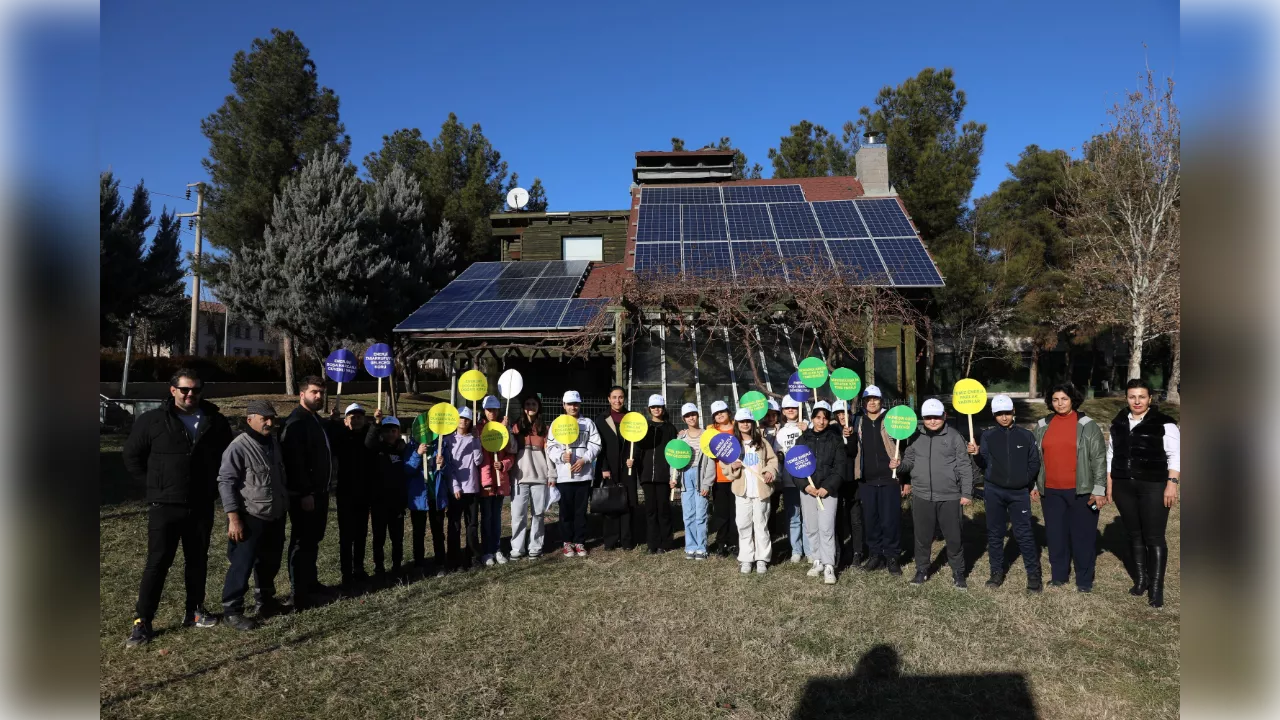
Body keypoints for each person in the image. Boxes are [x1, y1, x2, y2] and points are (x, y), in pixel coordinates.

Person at [123, 369, 233, 647]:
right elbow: (132, 456)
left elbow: (226, 458)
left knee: (197, 560)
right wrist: (154, 487)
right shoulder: (152, 420)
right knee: (158, 563)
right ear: (172, 390)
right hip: (165, 505)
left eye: (195, 389)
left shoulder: (214, 421)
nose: (190, 394)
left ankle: (194, 611)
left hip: (200, 504)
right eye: (184, 389)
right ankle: (143, 621)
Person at [1107, 378, 1180, 608]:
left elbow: (1175, 456)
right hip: (1123, 486)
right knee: (1134, 535)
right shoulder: (1118, 422)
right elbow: (1112, 455)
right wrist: (1110, 483)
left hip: (1153, 485)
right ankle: (1141, 580)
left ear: (1150, 398)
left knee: (1154, 537)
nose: (1136, 401)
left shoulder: (1165, 423)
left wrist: (1172, 484)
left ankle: (1156, 588)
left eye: (1141, 396)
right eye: (1132, 397)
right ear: (1126, 398)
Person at [216, 400, 288, 631]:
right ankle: (232, 610)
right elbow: (226, 482)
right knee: (242, 564)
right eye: (263, 418)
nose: (269, 422)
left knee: (270, 561)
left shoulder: (273, 444)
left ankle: (265, 601)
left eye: (272, 418)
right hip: (250, 516)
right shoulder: (238, 447)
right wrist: (233, 518)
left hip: (274, 514)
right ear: (250, 420)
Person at [1032, 383, 1107, 593]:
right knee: (1056, 536)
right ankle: (1059, 576)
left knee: (1083, 537)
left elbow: (1099, 459)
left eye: (1064, 399)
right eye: (1055, 399)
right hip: (1051, 492)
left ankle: (1084, 580)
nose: (1060, 403)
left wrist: (1099, 489)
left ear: (1073, 399)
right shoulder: (1042, 425)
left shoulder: (1087, 425)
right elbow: (1035, 458)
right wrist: (1034, 484)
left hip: (1081, 492)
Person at [892, 398, 974, 589]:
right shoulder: (914, 437)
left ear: (944, 416)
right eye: (928, 417)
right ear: (922, 418)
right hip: (921, 495)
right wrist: (899, 465)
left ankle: (958, 572)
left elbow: (964, 466)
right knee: (922, 537)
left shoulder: (954, 436)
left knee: (954, 537)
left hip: (949, 496)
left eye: (936, 417)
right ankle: (922, 570)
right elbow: (909, 462)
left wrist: (967, 492)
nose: (933, 421)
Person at [967, 394, 1043, 592]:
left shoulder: (1026, 435)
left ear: (1013, 412)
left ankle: (1034, 575)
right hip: (994, 492)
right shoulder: (988, 436)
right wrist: (976, 455)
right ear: (994, 415)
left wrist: (1025, 481)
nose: (1004, 417)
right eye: (999, 413)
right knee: (995, 533)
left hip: (1019, 493)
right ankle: (996, 573)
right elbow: (983, 463)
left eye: (1007, 413)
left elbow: (1034, 462)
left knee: (1024, 534)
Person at [281, 375, 339, 609]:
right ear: (301, 394)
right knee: (301, 541)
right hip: (305, 495)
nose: (319, 396)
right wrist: (304, 493)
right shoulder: (296, 422)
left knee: (313, 540)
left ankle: (311, 582)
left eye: (321, 393)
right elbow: (294, 462)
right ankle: (298, 592)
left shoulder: (315, 420)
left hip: (321, 492)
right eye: (314, 392)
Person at [853, 386, 903, 576]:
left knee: (890, 520)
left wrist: (901, 469)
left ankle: (892, 556)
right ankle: (875, 554)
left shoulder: (892, 419)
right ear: (864, 402)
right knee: (871, 520)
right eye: (868, 399)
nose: (871, 402)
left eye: (875, 399)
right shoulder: (858, 420)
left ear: (881, 400)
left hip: (889, 478)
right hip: (867, 479)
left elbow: (904, 444)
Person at [725, 409, 780, 574]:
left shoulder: (762, 442)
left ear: (752, 423)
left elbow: (773, 459)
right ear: (737, 424)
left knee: (761, 525)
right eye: (741, 421)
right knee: (743, 525)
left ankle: (762, 558)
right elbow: (724, 466)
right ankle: (746, 558)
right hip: (742, 492)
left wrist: (770, 471)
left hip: (761, 491)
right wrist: (731, 467)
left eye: (748, 421)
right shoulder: (733, 444)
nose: (745, 424)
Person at [547, 390, 601, 557]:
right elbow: (550, 447)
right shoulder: (557, 424)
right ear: (564, 405)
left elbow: (595, 444)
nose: (573, 407)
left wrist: (584, 459)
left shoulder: (588, 423)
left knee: (580, 511)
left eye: (576, 403)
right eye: (569, 404)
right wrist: (562, 456)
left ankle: (580, 541)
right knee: (565, 512)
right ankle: (567, 542)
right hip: (564, 476)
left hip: (583, 476)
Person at [797, 403, 846, 584]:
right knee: (811, 527)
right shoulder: (803, 439)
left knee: (826, 528)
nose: (821, 421)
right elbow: (795, 466)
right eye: (818, 417)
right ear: (812, 419)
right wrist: (805, 486)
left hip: (827, 492)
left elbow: (840, 467)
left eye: (825, 417)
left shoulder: (835, 439)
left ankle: (828, 565)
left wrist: (828, 487)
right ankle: (816, 560)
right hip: (808, 491)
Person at [331, 403, 374, 591]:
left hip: (364, 493)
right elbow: (332, 443)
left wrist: (376, 423)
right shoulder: (341, 436)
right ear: (346, 420)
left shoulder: (368, 436)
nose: (356, 420)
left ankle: (359, 568)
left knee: (361, 533)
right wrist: (333, 423)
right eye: (352, 417)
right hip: (345, 493)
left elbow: (373, 443)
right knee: (346, 536)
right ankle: (346, 573)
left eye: (359, 417)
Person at [366, 411, 410, 585]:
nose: (390, 434)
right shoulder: (376, 449)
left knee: (397, 538)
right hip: (378, 503)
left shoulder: (402, 450)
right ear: (382, 433)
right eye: (387, 430)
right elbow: (369, 442)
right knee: (379, 538)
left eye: (394, 431)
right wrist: (376, 423)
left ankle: (397, 567)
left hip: (397, 503)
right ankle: (379, 569)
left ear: (398, 433)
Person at [630, 395, 677, 553]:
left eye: (660, 406)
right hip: (646, 475)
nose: (657, 409)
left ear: (663, 408)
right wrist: (633, 461)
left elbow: (675, 452)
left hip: (664, 476)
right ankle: (652, 544)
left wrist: (673, 476)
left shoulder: (670, 428)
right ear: (649, 409)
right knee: (650, 510)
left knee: (663, 509)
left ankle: (666, 543)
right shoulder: (643, 428)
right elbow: (636, 448)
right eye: (654, 407)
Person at [437, 407, 482, 570]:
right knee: (454, 525)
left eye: (467, 419)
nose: (463, 421)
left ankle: (473, 558)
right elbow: (448, 466)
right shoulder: (448, 440)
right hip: (455, 489)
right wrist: (455, 485)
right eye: (461, 418)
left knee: (472, 525)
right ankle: (453, 559)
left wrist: (477, 440)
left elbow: (478, 460)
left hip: (472, 488)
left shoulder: (473, 438)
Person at [596, 386, 639, 551]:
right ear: (609, 399)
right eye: (614, 397)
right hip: (609, 469)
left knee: (628, 503)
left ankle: (627, 540)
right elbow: (600, 447)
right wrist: (604, 467)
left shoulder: (632, 418)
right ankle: (611, 540)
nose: (617, 401)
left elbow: (638, 442)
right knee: (611, 503)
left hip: (628, 467)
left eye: (620, 397)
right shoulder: (601, 419)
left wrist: (634, 458)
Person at [510, 395, 552, 560]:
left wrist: (551, 475)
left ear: (538, 407)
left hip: (540, 478)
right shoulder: (515, 427)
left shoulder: (545, 429)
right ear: (523, 407)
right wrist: (507, 430)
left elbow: (549, 455)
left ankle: (535, 547)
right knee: (518, 515)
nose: (530, 406)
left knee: (538, 514)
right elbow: (512, 449)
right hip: (520, 478)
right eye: (527, 403)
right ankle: (517, 549)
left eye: (534, 403)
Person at [476, 395, 516, 566]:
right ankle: (486, 552)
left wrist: (504, 464)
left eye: (494, 409)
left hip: (500, 480)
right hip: (486, 482)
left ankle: (496, 548)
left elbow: (511, 453)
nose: (492, 412)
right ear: (484, 411)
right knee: (486, 518)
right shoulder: (478, 429)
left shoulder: (504, 427)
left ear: (499, 410)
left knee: (497, 518)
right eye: (488, 409)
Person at [673, 403, 715, 560]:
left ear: (698, 415)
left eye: (693, 414)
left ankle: (702, 548)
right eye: (687, 415)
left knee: (701, 514)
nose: (691, 417)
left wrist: (707, 483)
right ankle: (690, 547)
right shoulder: (681, 437)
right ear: (684, 419)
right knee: (688, 514)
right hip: (685, 477)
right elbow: (675, 459)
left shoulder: (707, 435)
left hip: (701, 475)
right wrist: (674, 478)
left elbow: (711, 461)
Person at [774, 395, 811, 564]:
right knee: (794, 516)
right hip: (789, 481)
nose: (791, 410)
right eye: (787, 408)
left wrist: (807, 431)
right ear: (783, 411)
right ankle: (796, 549)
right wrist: (779, 476)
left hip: (807, 480)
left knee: (809, 517)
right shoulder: (781, 432)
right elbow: (778, 456)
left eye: (794, 407)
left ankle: (810, 549)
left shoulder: (806, 426)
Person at [408, 424, 448, 577]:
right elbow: (408, 469)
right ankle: (419, 564)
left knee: (438, 532)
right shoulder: (412, 446)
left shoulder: (441, 446)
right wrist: (417, 454)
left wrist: (443, 464)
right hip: (419, 498)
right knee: (418, 533)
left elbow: (448, 470)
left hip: (436, 497)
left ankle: (440, 563)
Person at [832, 399, 864, 570]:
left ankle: (857, 552)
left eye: (845, 413)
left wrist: (850, 436)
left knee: (855, 518)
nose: (842, 417)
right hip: (836, 481)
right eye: (838, 414)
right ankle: (839, 551)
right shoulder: (831, 430)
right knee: (837, 518)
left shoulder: (856, 429)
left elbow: (853, 452)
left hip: (853, 479)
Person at [706, 400, 739, 558]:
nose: (720, 415)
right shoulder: (711, 430)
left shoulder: (737, 427)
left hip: (736, 478)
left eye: (722, 412)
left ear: (728, 412)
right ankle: (721, 543)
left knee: (736, 513)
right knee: (721, 513)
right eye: (716, 413)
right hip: (719, 478)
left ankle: (734, 542)